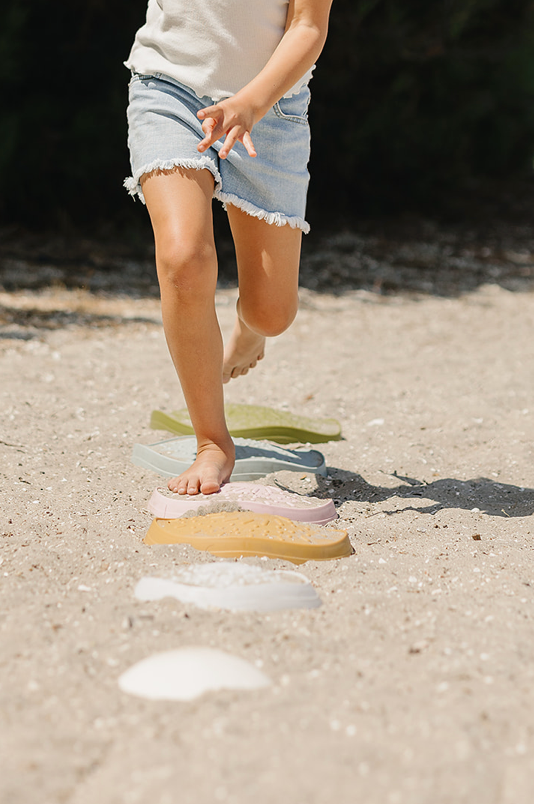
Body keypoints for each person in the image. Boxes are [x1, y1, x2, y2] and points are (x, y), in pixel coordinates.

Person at [125, 0, 334, 495]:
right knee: (183, 259)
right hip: (168, 91)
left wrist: (251, 104)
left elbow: (308, 26)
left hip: (271, 112)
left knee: (272, 314)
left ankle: (250, 326)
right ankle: (213, 444)